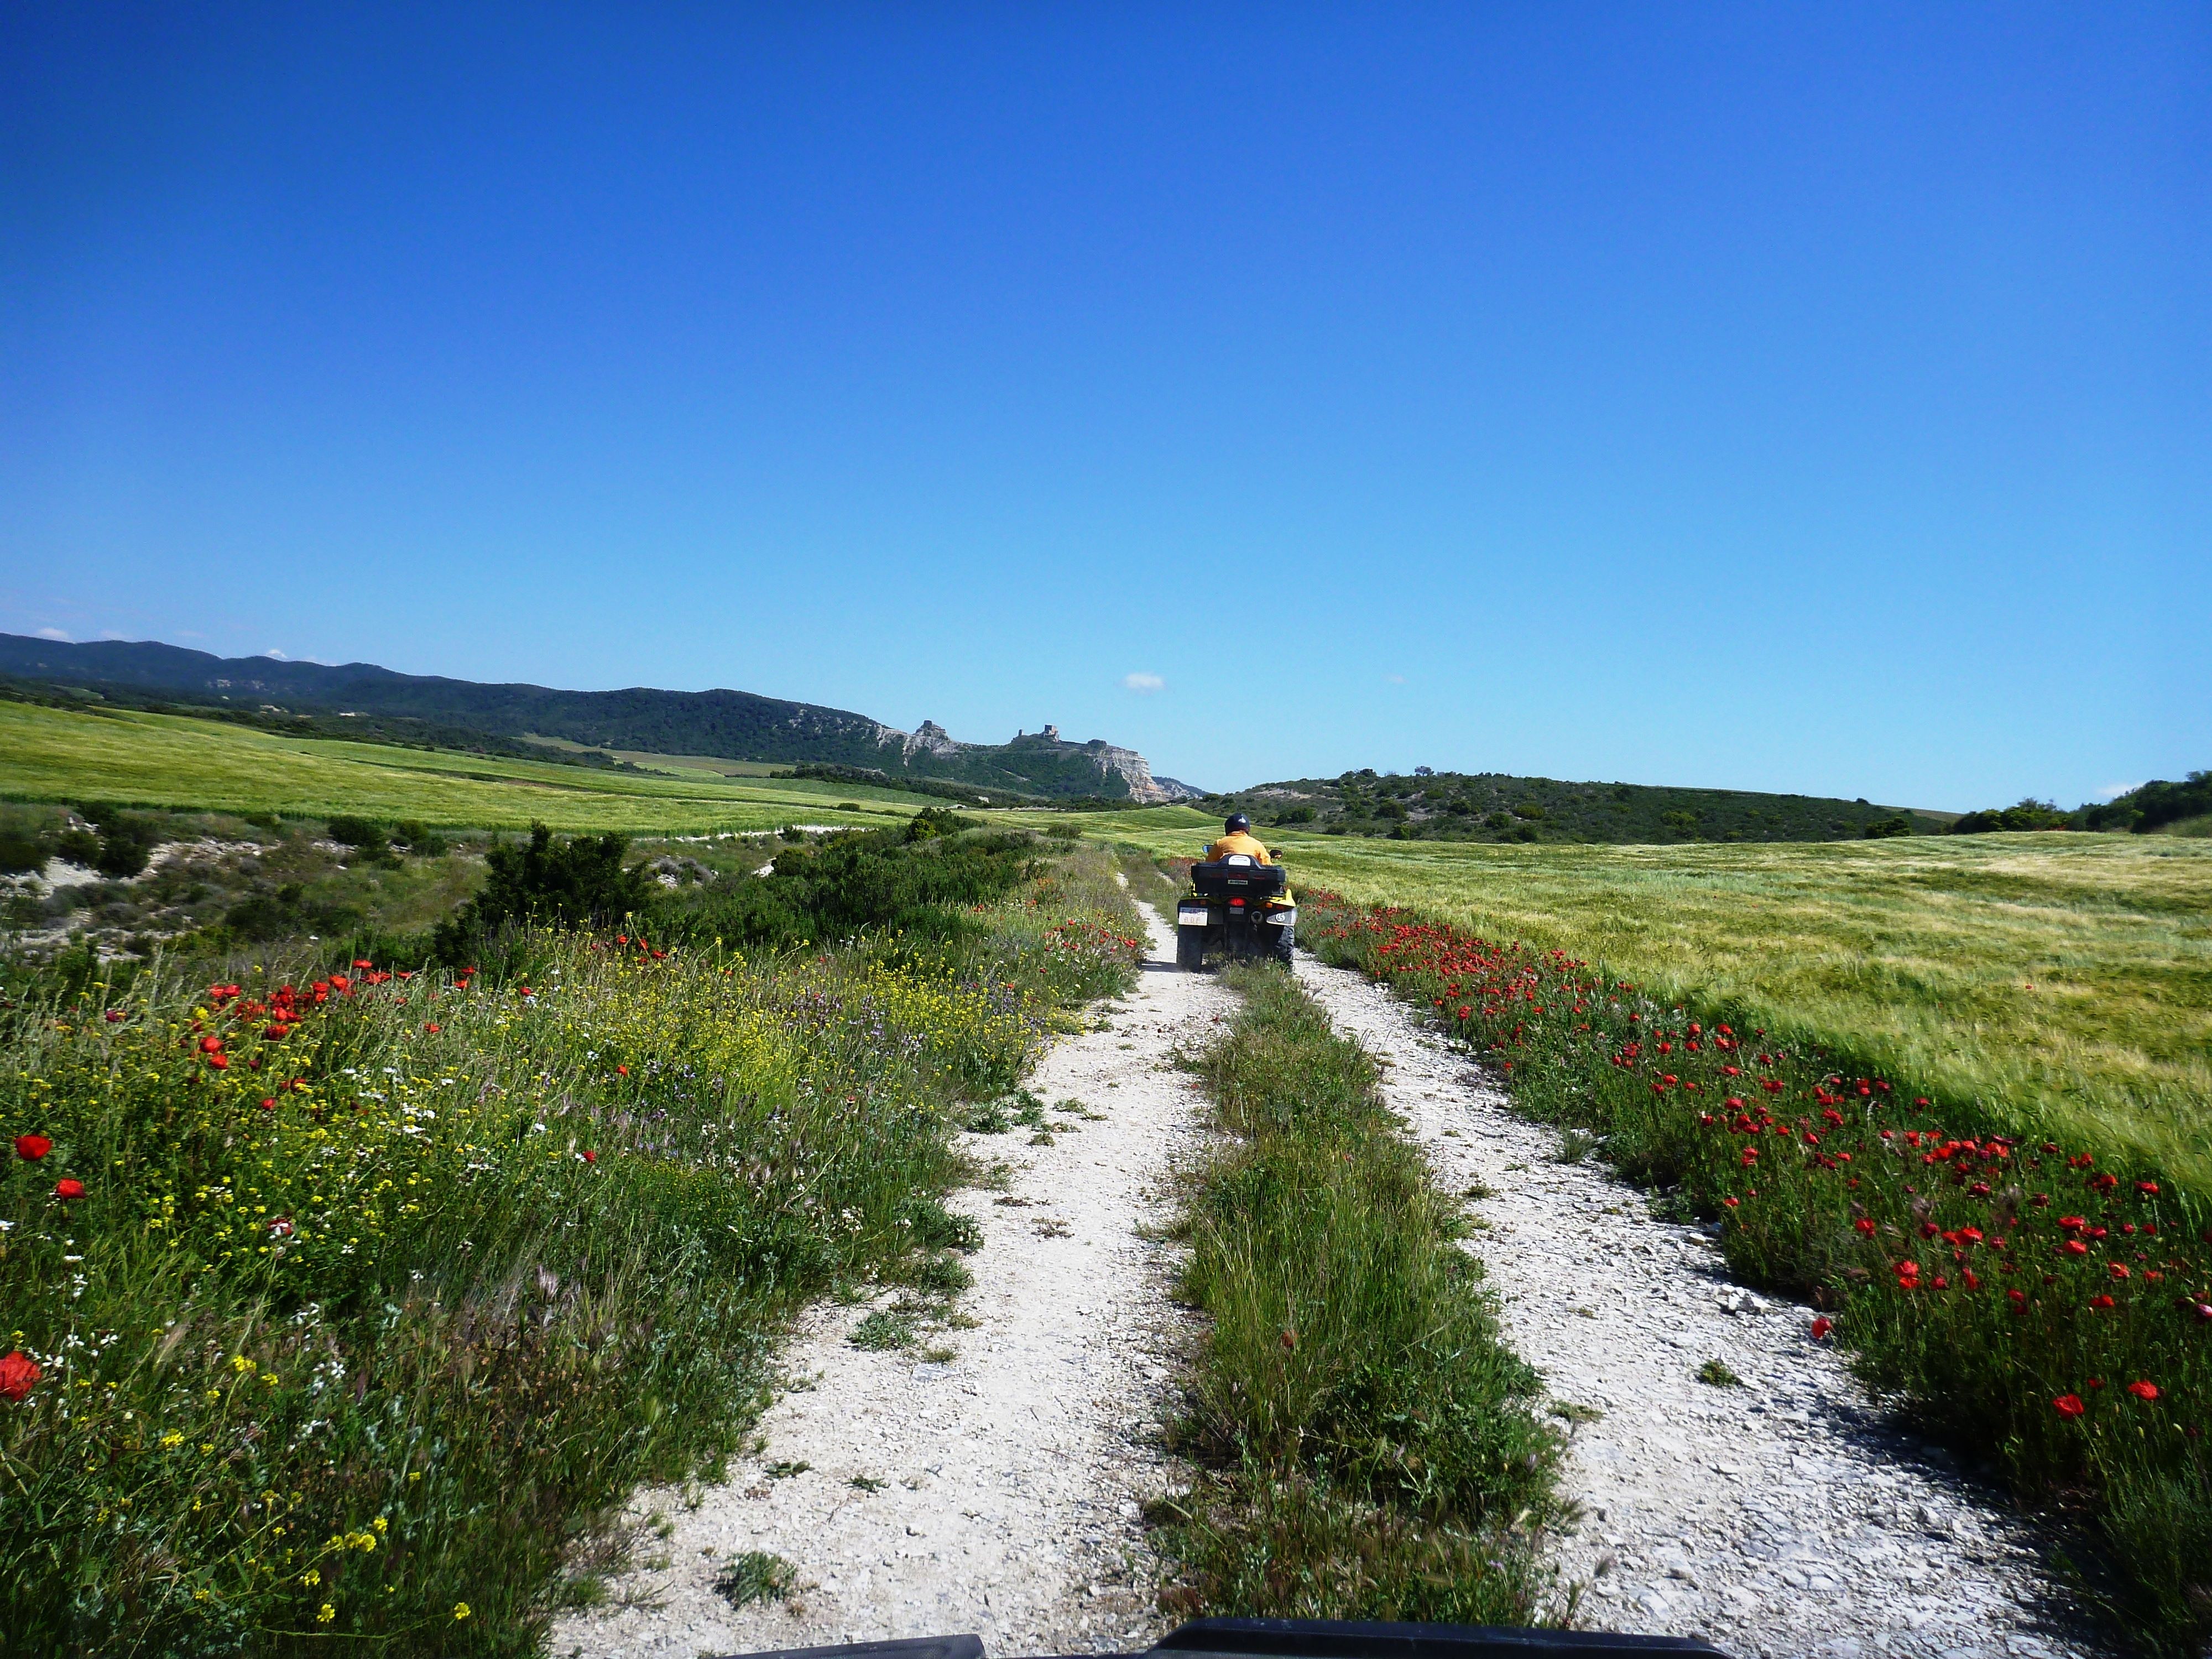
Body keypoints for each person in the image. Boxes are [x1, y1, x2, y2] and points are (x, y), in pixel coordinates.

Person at [1204, 812, 1274, 864]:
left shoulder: (1220, 843)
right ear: (1248, 829)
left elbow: (1208, 865)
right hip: (1253, 884)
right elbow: (1267, 866)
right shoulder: (1257, 845)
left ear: (1228, 828)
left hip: (1222, 883)